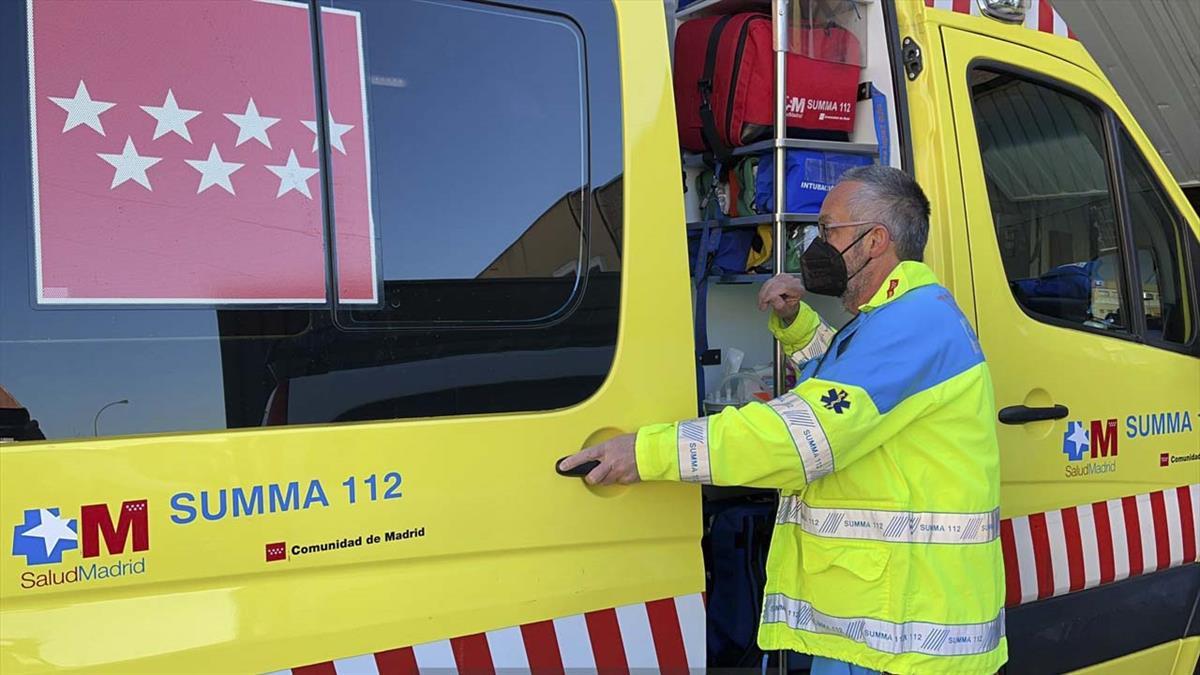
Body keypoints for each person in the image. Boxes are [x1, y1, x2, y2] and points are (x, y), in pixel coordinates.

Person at [560, 166, 1006, 674]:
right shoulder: (896, 317)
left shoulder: (913, 323)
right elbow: (857, 399)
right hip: (883, 625)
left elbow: (797, 440)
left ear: (875, 241)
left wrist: (645, 452)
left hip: (904, 643)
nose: (814, 245)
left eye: (828, 229)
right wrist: (799, 327)